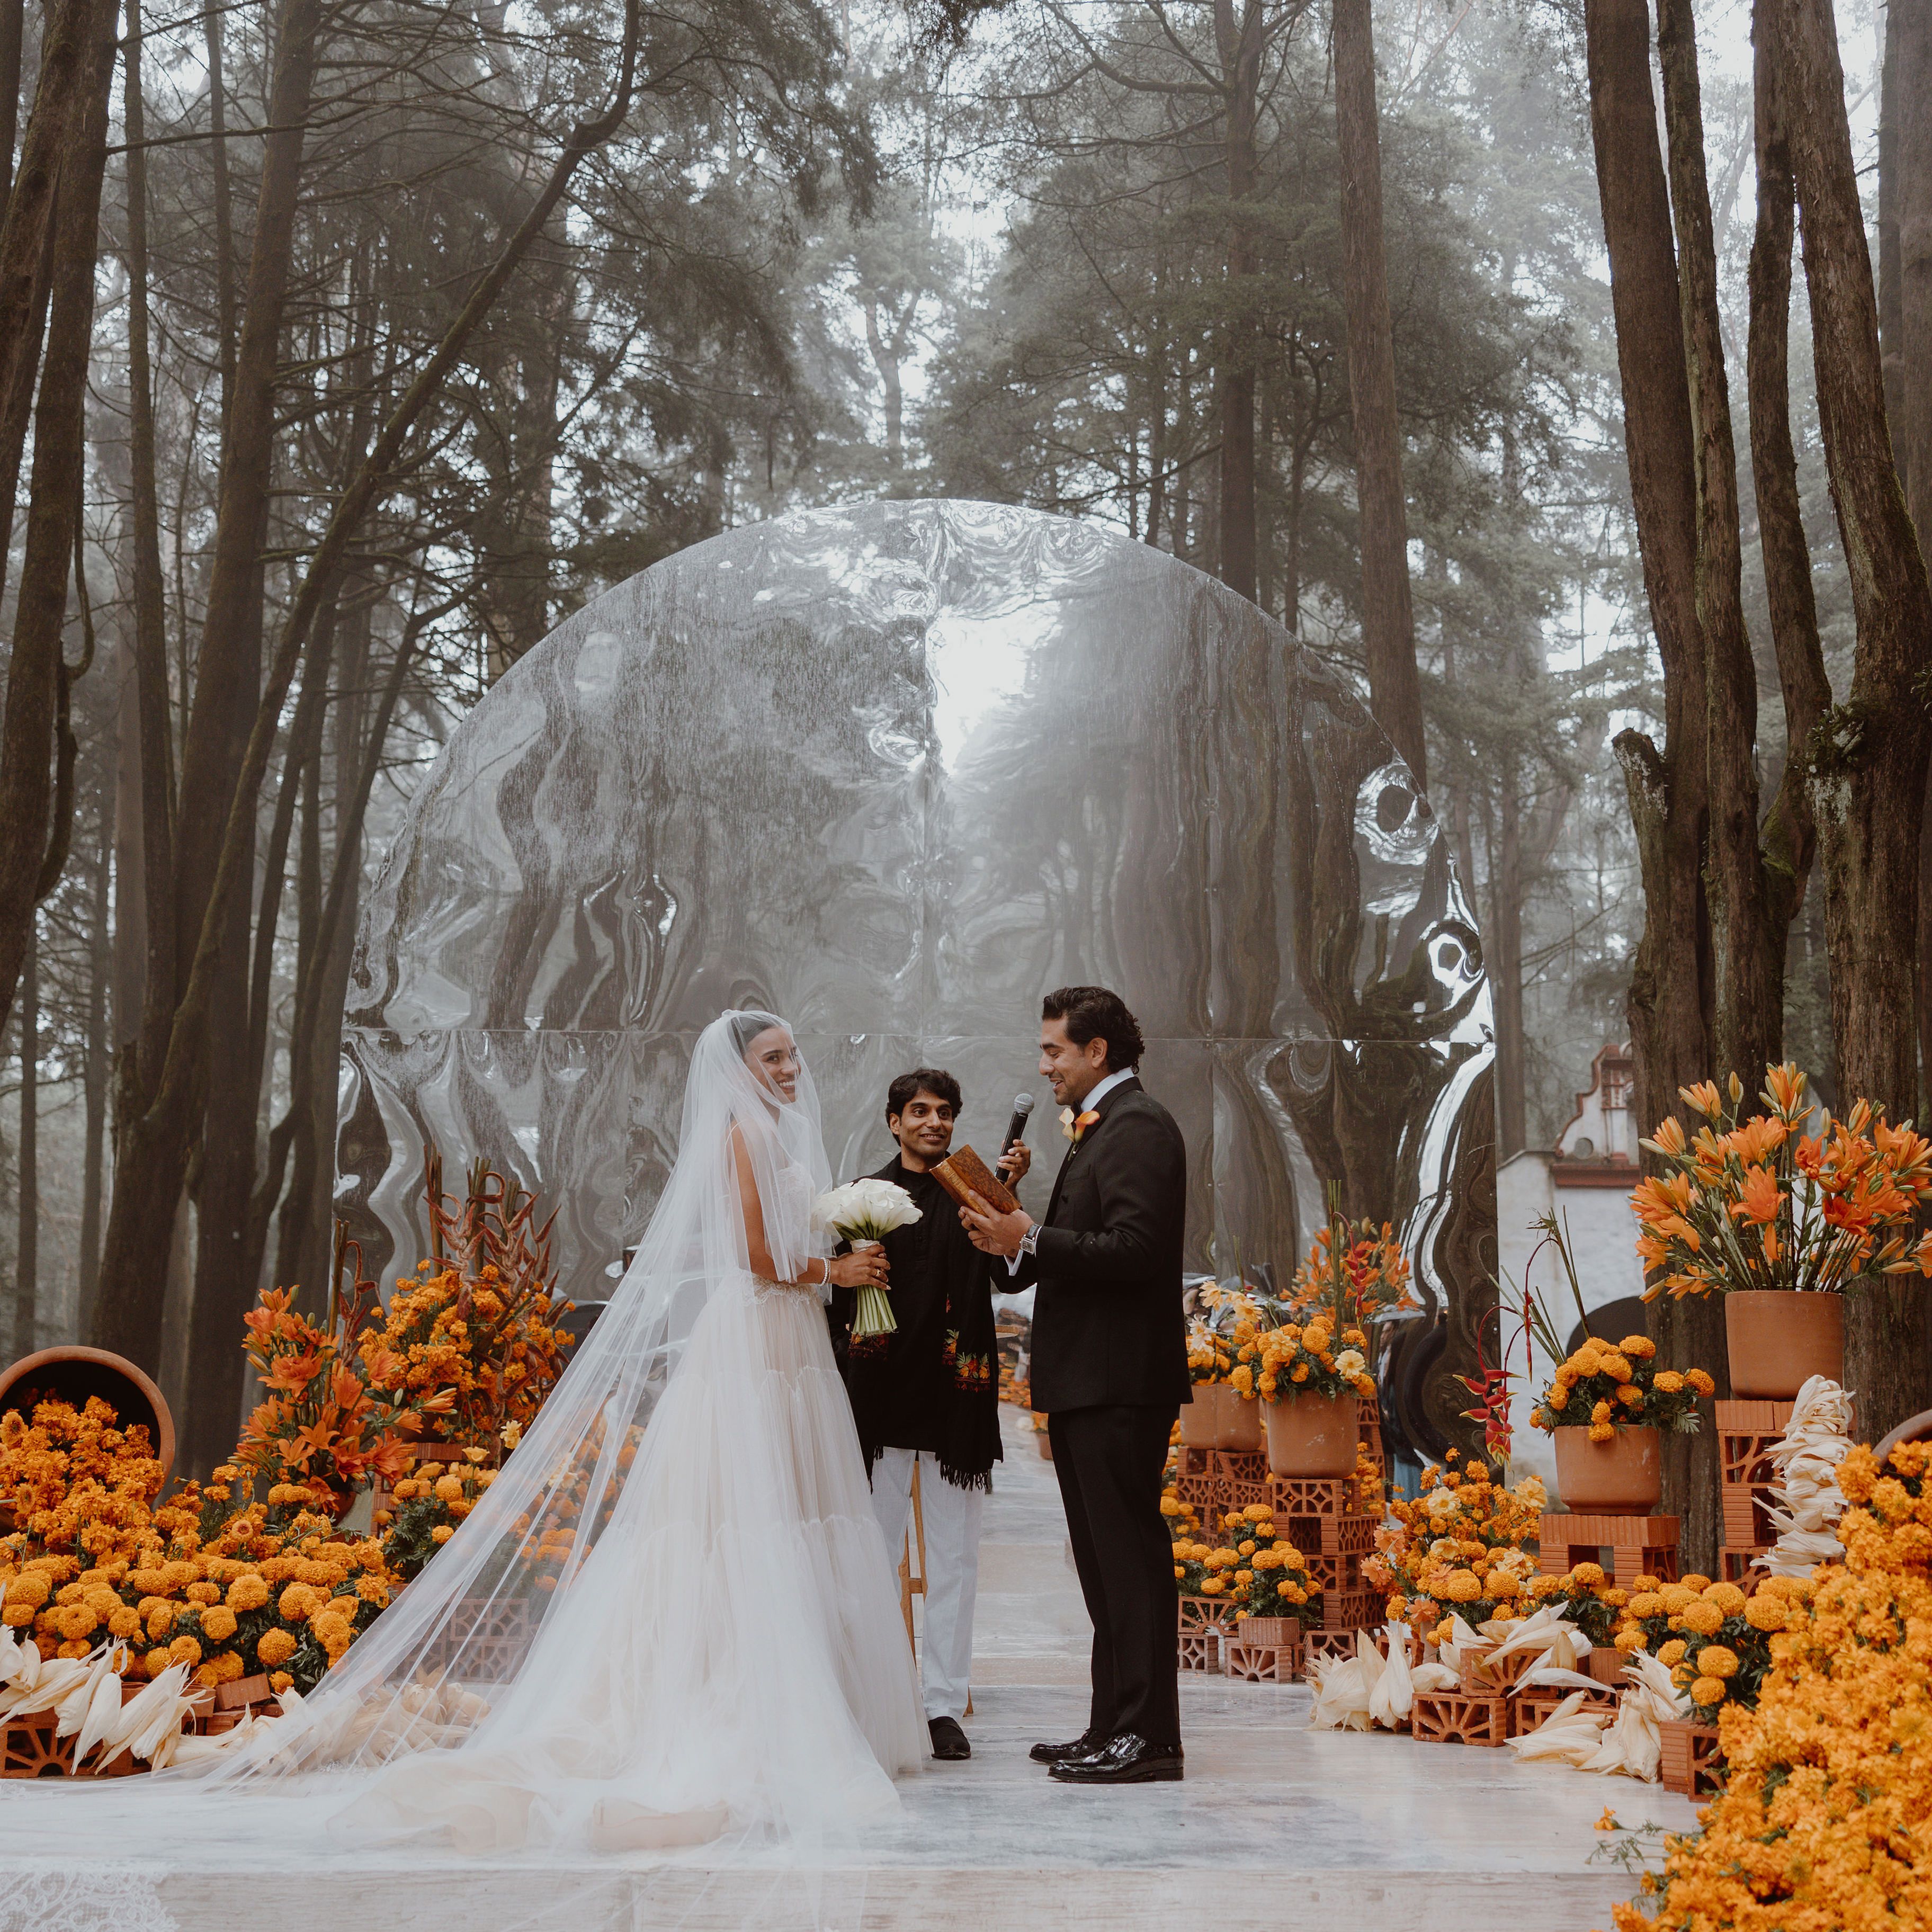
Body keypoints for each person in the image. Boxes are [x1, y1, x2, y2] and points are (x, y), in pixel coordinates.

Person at [0, 1010, 925, 1882]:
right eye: (774, 1058)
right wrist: (832, 1266)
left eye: (792, 1054)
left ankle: (823, 1702)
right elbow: (756, 1257)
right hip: (756, 1337)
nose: (790, 1067)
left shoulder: (782, 1136)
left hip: (794, 1340)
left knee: (801, 1511)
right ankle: (738, 1703)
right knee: (739, 1518)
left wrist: (847, 1260)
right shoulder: (739, 1139)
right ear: (738, 1072)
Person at [960, 986, 1189, 1786]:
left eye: (1055, 1049)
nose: (1044, 1064)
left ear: (1098, 1051)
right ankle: (1112, 1726)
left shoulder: (1139, 1127)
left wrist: (1034, 1237)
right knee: (1100, 1562)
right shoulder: (1100, 1131)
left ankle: (1150, 1738)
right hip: (1092, 1378)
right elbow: (1072, 1250)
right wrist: (1011, 1227)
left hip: (1120, 1379)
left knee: (1128, 1558)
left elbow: (1135, 1251)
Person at [830, 1069, 1011, 1763]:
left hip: (953, 1397)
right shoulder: (860, 1196)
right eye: (920, 1111)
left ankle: (941, 1705)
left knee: (954, 1560)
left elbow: (1014, 1274)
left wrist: (1007, 1200)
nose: (934, 1122)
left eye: (945, 1112)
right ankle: (879, 1696)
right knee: (872, 1556)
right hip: (878, 1397)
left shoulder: (975, 1185)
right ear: (894, 1121)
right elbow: (839, 1295)